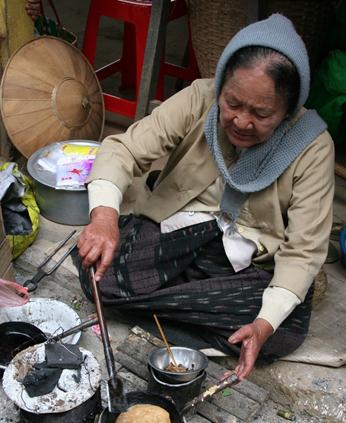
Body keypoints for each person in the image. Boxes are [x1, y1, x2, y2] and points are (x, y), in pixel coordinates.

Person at [77, 14, 334, 381]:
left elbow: (304, 251)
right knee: (96, 272)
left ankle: (163, 309)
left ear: (289, 110)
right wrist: (103, 218)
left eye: (262, 113)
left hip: (250, 261)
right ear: (221, 88)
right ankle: (199, 321)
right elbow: (123, 151)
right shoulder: (200, 98)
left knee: (283, 326)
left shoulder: (312, 147)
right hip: (180, 228)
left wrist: (264, 322)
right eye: (233, 103)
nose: (242, 122)